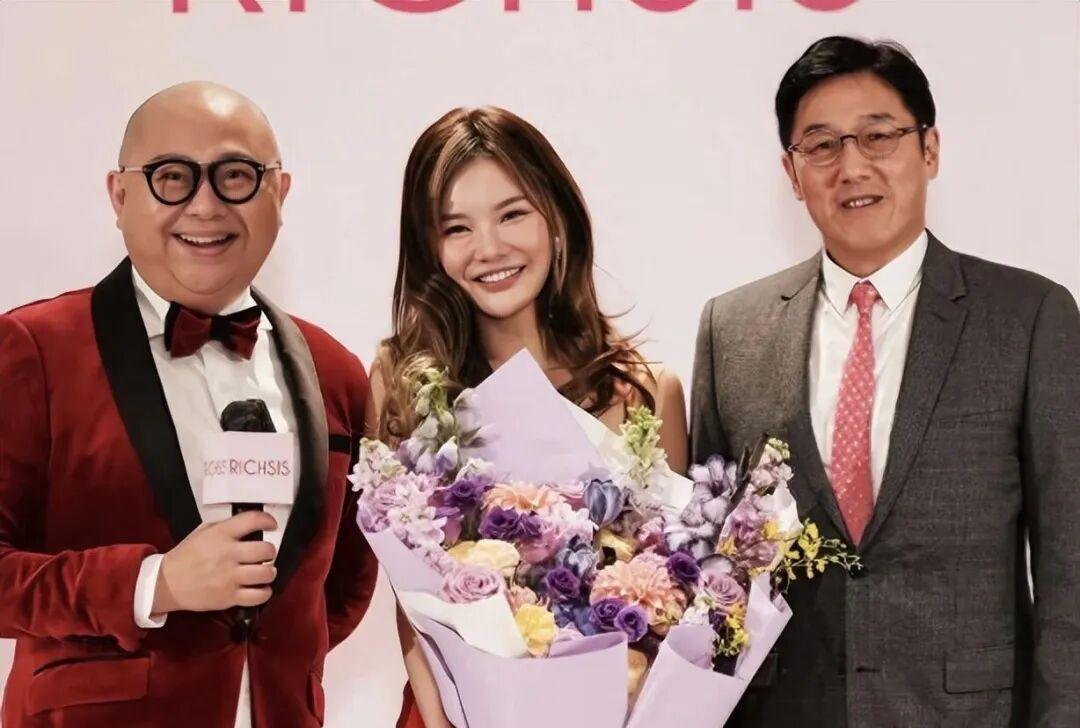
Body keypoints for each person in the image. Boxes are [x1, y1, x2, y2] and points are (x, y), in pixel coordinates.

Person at [690, 36, 1080, 727]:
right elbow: (711, 565)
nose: (852, 167)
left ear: (929, 149)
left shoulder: (1028, 317)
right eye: (822, 146)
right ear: (792, 172)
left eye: (878, 136)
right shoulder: (732, 329)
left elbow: (1069, 568)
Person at [0, 82, 378, 727]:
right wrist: (155, 583)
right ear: (119, 196)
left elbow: (344, 582)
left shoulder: (336, 371)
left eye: (236, 176)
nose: (205, 205)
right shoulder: (32, 349)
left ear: (279, 193)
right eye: (171, 177)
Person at [367, 106, 688, 728]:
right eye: (456, 227)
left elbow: (671, 592)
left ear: (557, 218)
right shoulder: (401, 382)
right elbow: (409, 599)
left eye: (512, 214)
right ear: (430, 247)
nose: (489, 248)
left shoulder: (644, 392)